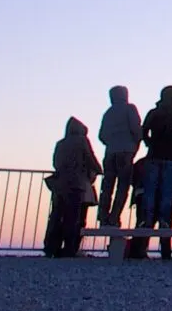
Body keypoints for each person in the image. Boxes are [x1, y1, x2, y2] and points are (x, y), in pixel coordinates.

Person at [137, 86, 172, 250]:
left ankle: (147, 219)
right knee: (166, 191)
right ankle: (164, 221)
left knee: (151, 191)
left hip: (154, 155)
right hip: (171, 157)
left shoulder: (154, 113)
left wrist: (150, 143)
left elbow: (144, 131)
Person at [43, 117, 99, 258]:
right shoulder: (81, 141)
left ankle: (51, 247)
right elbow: (90, 158)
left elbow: (56, 163)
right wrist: (99, 169)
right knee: (73, 217)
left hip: (60, 184)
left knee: (56, 215)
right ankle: (69, 248)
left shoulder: (60, 143)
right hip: (76, 183)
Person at [96, 85, 141, 226]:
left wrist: (111, 143)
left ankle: (103, 217)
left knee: (107, 186)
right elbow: (137, 130)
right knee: (122, 187)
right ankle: (114, 217)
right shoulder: (130, 109)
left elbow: (101, 135)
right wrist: (134, 146)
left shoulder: (108, 113)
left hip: (110, 153)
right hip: (126, 152)